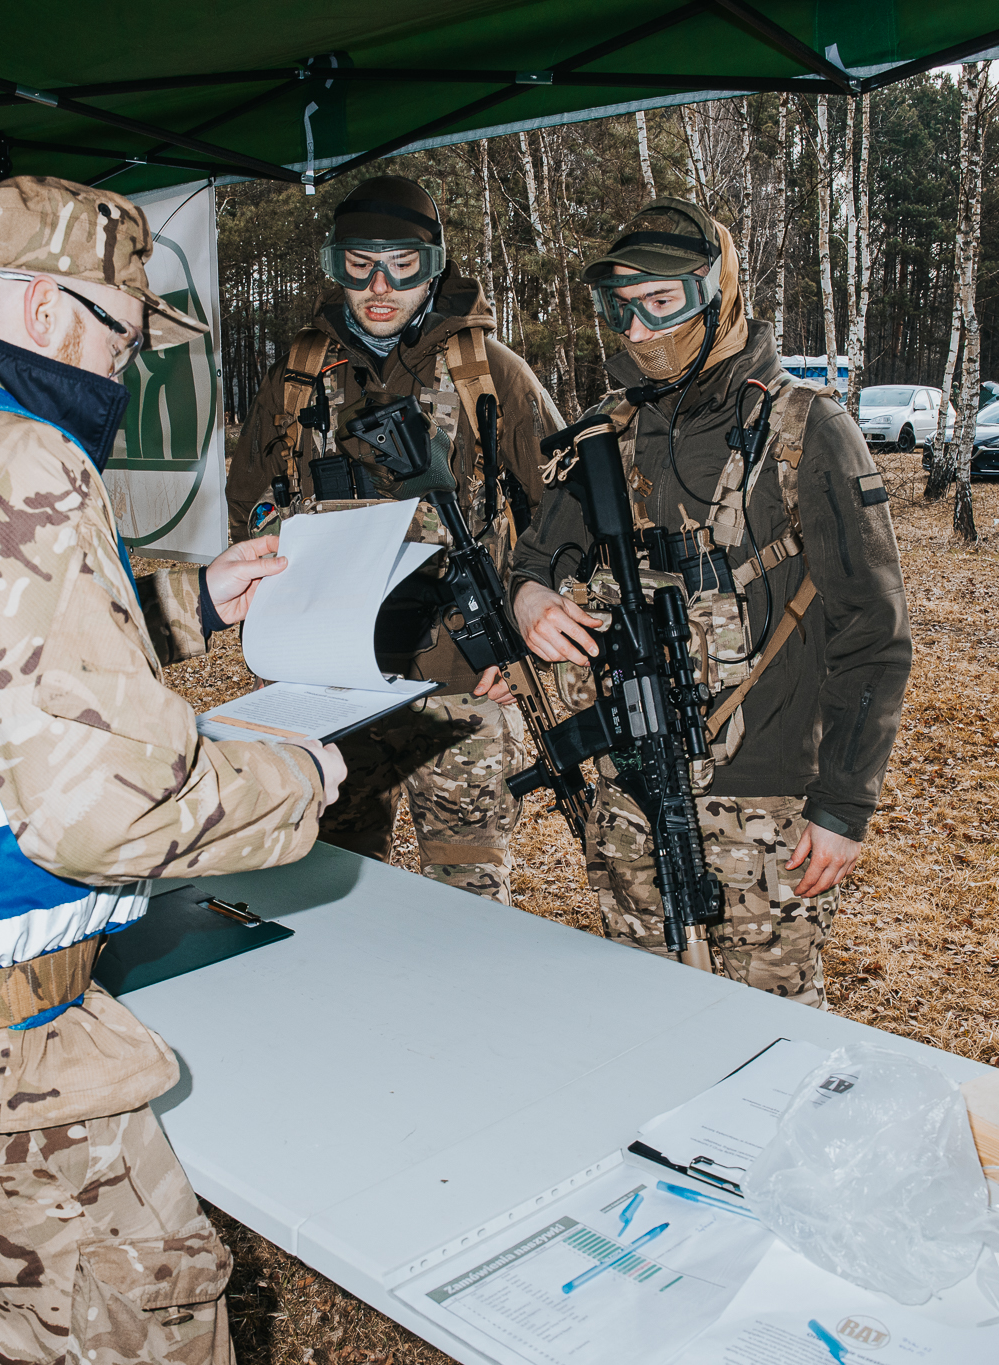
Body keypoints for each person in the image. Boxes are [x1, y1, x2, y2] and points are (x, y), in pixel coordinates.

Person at [0, 175, 348, 1365]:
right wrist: (295, 779)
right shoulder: (11, 457)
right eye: (121, 337)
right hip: (1, 1087)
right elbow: (104, 813)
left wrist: (185, 600)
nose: (123, 373)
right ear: (44, 314)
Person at [508, 198, 911, 1006]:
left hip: (762, 808)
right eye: (621, 309)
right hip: (629, 792)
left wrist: (842, 806)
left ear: (718, 292)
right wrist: (530, 601)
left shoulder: (805, 428)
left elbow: (874, 634)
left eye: (662, 303)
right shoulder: (605, 432)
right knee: (647, 1021)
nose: (638, 331)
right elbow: (537, 555)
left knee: (773, 1044)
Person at [226, 175, 562, 902]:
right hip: (327, 686)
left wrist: (527, 643)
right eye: (358, 263)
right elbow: (250, 503)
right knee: (326, 880)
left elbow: (566, 520)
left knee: (468, 893)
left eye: (402, 263)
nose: (379, 285)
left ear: (435, 264)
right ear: (334, 264)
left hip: (459, 685)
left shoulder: (489, 375)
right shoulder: (300, 376)